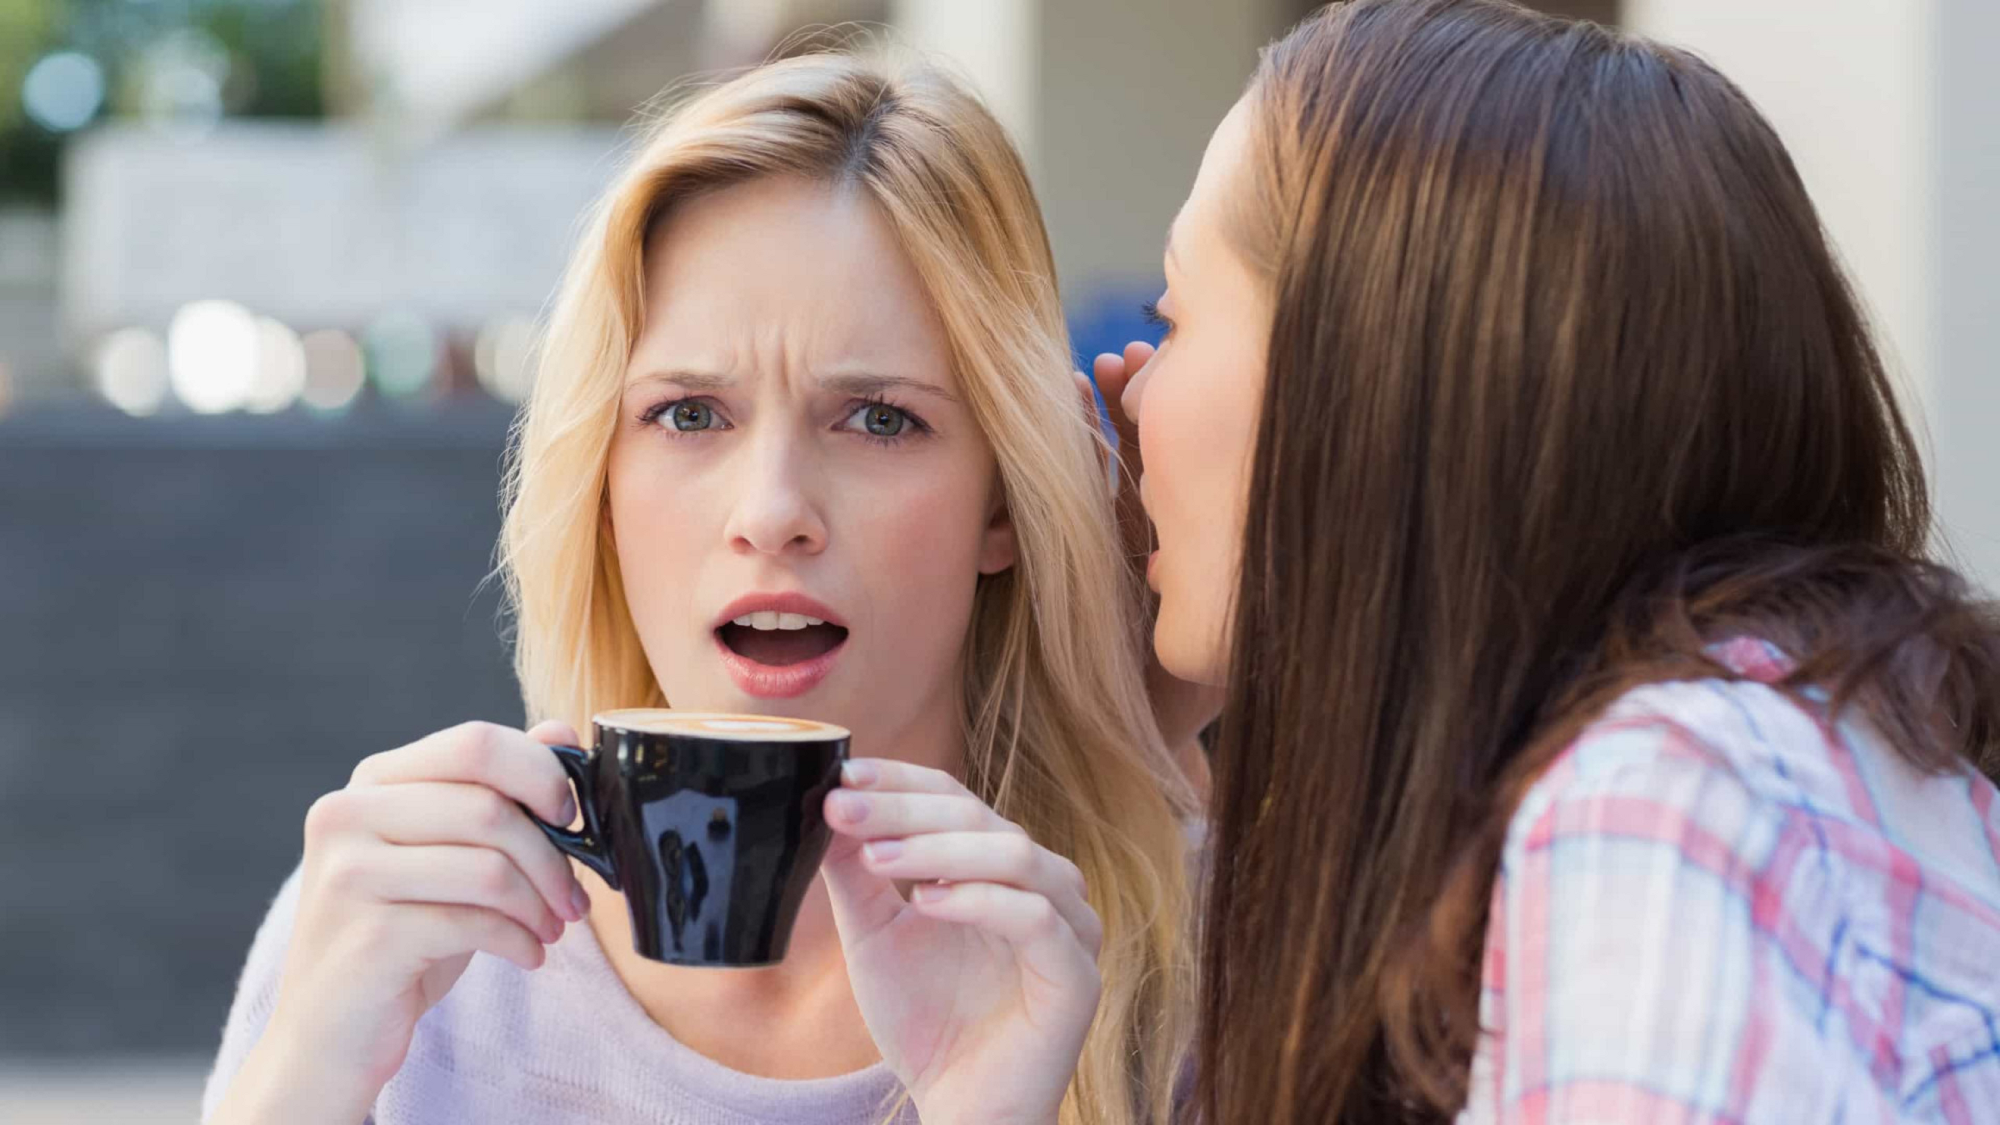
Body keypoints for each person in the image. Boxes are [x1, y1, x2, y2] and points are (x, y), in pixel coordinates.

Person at [201, 50, 1198, 1125]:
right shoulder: (391, 936)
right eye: (687, 414)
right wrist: (299, 1083)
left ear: (1000, 507)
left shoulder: (1204, 964)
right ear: (599, 488)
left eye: (877, 418)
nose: (770, 510)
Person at [1090, 0, 2000, 1120]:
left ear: (1371, 385)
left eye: (1169, 315)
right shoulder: (1805, 751)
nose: (1127, 394)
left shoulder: (1661, 808)